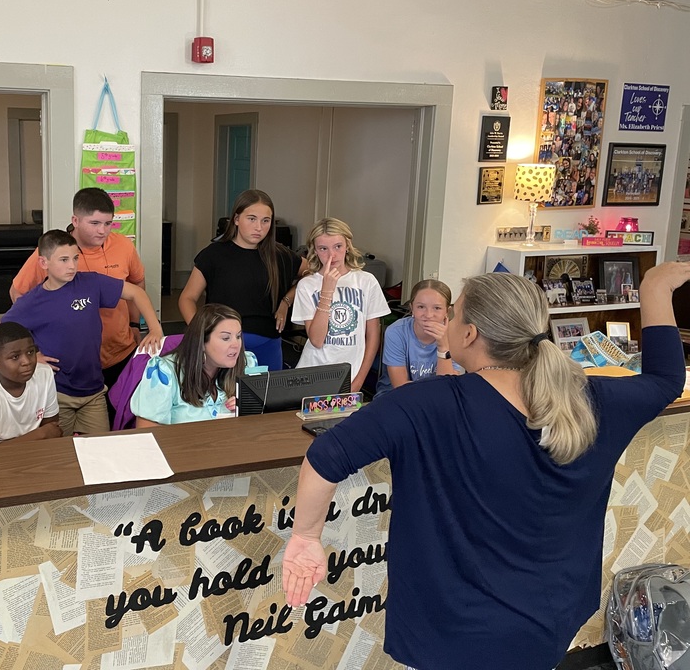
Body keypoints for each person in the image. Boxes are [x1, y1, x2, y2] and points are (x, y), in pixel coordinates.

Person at [280, 263, 690, 670]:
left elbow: (325, 458)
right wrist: (655, 287)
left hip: (453, 632)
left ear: (470, 333)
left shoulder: (423, 405)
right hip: (550, 623)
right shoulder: (594, 398)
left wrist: (306, 537)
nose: (447, 320)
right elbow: (667, 379)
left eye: (453, 313)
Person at [3, 229, 163, 435]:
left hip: (94, 391)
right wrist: (33, 356)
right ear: (44, 263)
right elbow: (4, 331)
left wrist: (155, 328)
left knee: (101, 448)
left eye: (75, 258)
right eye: (63, 259)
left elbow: (136, 292)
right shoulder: (32, 302)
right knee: (63, 452)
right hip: (57, 394)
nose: (72, 265)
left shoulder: (91, 283)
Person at [10, 188, 146, 401]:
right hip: (69, 366)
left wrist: (135, 324)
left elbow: (137, 282)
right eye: (94, 223)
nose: (102, 231)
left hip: (120, 351)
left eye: (108, 224)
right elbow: (18, 293)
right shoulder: (53, 252)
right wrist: (32, 351)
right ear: (75, 220)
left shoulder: (123, 245)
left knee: (119, 418)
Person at [178, 189, 307, 371]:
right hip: (224, 347)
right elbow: (187, 298)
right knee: (225, 399)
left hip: (268, 346)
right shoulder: (214, 254)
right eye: (251, 218)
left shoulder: (280, 254)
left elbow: (313, 274)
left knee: (267, 398)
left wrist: (286, 301)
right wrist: (202, 335)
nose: (259, 228)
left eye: (265, 221)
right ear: (237, 219)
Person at [291, 218, 390, 391]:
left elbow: (373, 336)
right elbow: (316, 340)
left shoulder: (366, 281)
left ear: (348, 245)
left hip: (350, 375)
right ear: (314, 250)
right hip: (312, 375)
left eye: (338, 246)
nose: (332, 255)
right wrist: (327, 292)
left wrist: (359, 380)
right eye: (323, 248)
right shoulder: (307, 285)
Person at [132, 304, 255, 426]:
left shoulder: (246, 364)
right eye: (226, 338)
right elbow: (147, 432)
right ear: (201, 342)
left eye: (238, 336)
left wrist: (247, 410)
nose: (236, 345)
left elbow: (260, 425)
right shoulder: (164, 373)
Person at [374, 279, 460, 396]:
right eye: (421, 307)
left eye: (437, 308)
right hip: (395, 397)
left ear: (447, 311)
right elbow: (400, 386)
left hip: (435, 399)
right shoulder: (396, 332)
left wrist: (443, 346)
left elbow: (447, 389)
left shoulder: (455, 336)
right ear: (412, 308)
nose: (428, 315)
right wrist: (436, 390)